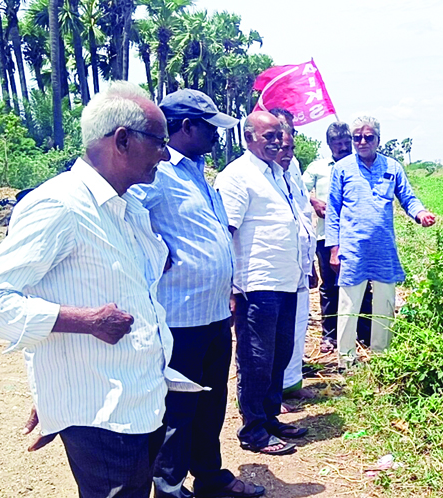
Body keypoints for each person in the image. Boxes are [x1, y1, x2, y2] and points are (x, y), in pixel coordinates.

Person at [0, 81, 188, 498]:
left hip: (139, 400)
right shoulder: (59, 205)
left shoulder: (128, 207)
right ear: (122, 140)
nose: (165, 155)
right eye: (159, 142)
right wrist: (86, 322)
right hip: (102, 413)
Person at [128, 89, 264, 498]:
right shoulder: (157, 172)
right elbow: (126, 216)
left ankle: (209, 475)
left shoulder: (198, 170)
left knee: (211, 404)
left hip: (213, 312)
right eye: (210, 128)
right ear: (186, 127)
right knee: (178, 409)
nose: (216, 136)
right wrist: (152, 249)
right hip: (178, 316)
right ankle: (169, 487)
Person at [214, 111, 309, 456]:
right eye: (269, 136)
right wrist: (231, 287)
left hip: (286, 280)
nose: (277, 142)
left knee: (280, 354)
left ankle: (270, 418)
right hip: (257, 283)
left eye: (279, 135)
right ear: (249, 137)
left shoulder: (278, 173)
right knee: (256, 358)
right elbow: (226, 233)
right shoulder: (238, 176)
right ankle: (253, 430)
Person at [326, 116, 436, 368]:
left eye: (368, 137)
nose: (362, 142)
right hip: (352, 250)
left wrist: (421, 214)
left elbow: (408, 197)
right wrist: (334, 248)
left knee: (384, 304)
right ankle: (346, 360)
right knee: (348, 305)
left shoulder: (392, 167)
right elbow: (333, 210)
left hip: (384, 249)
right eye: (357, 138)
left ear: (378, 139)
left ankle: (381, 359)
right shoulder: (342, 168)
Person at [302, 123, 372, 354]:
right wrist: (313, 202)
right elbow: (297, 189)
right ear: (329, 144)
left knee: (361, 285)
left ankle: (365, 335)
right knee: (330, 287)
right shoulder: (318, 167)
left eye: (345, 143)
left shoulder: (361, 165)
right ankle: (329, 336)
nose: (342, 147)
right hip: (327, 237)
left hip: (357, 237)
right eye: (337, 143)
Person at [274, 128, 318, 401]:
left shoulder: (292, 171)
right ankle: (268, 398)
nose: (287, 152)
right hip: (271, 273)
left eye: (290, 145)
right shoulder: (249, 175)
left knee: (296, 327)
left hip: (299, 266)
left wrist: (309, 262)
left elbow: (302, 214)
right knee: (270, 339)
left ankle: (290, 385)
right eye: (281, 144)